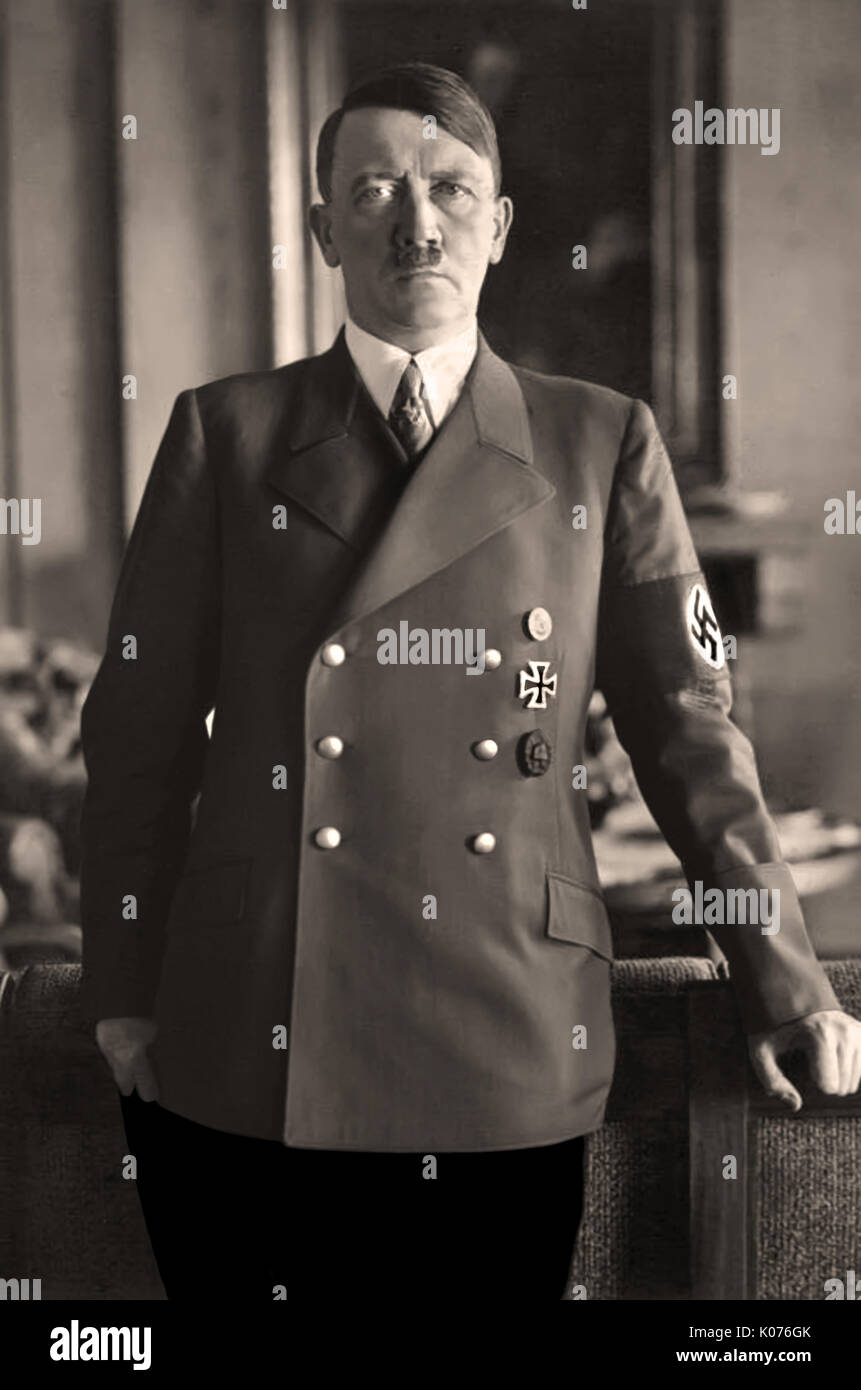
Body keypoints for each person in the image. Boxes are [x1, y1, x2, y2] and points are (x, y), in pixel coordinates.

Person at [80, 63, 861, 1301]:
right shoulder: (221, 435)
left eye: (451, 187)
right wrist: (120, 989)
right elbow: (134, 739)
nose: (416, 219)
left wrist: (785, 975)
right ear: (327, 223)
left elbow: (690, 739)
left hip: (501, 1033)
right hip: (252, 1031)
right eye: (377, 185)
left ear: (498, 226)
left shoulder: (602, 440)